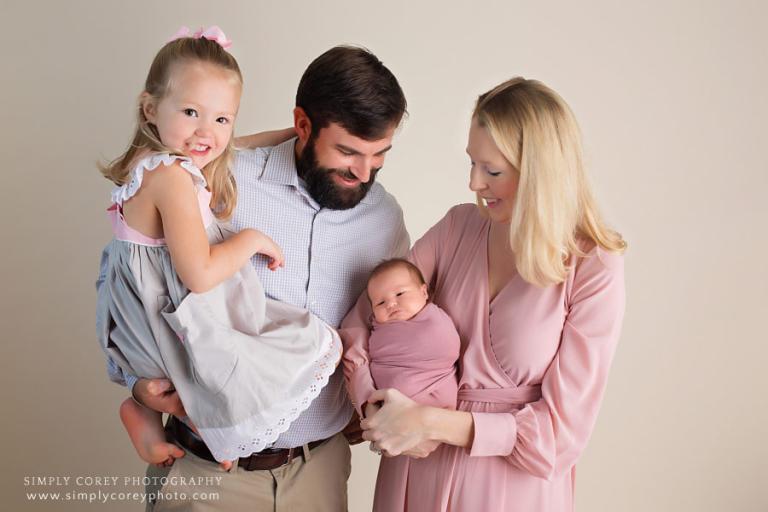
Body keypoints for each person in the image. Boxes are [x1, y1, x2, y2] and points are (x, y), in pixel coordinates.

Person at [98, 43, 409, 511]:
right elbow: (132, 286)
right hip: (206, 473)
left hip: (319, 472)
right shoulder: (219, 178)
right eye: (347, 152)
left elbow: (392, 330)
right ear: (302, 125)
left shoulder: (383, 219)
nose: (364, 173)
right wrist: (138, 384)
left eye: (379, 155)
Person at [341, 77, 626, 511]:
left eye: (492, 170)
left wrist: (433, 421)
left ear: (539, 171)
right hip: (416, 469)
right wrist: (375, 407)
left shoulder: (592, 264)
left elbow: (561, 437)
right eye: (472, 163)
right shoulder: (458, 227)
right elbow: (362, 317)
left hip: (512, 485)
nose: (474, 183)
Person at [96, 26, 342, 470]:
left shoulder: (152, 163)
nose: (206, 131)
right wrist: (250, 240)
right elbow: (200, 275)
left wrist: (298, 133)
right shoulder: (173, 179)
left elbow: (236, 145)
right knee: (273, 347)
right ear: (150, 108)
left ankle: (150, 415)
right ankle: (222, 434)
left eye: (222, 118)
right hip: (165, 320)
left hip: (140, 322)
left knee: (218, 361)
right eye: (191, 111)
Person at [364, 258, 460, 510]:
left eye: (399, 293)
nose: (391, 304)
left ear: (424, 292)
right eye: (381, 302)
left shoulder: (434, 321)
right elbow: (374, 355)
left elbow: (447, 349)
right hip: (391, 412)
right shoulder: (377, 329)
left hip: (434, 395)